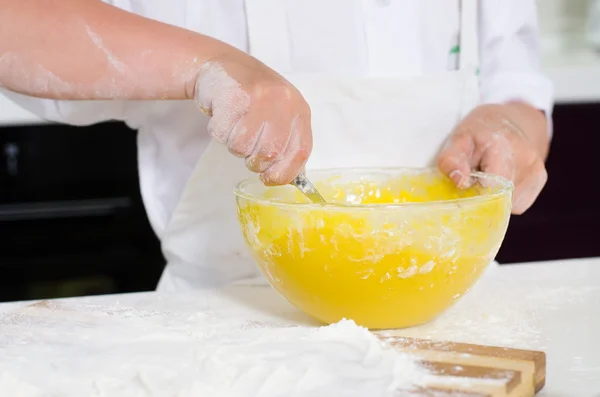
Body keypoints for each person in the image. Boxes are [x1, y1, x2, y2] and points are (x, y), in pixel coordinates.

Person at [0, 0, 553, 291]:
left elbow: (517, 85)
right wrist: (203, 66)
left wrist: (514, 127)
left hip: (455, 317)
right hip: (232, 329)